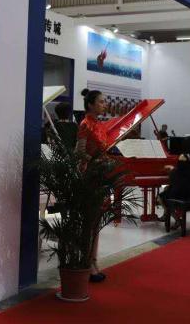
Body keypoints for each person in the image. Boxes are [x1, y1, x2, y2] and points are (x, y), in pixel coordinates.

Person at [76, 89, 109, 283]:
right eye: (101, 102)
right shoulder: (85, 124)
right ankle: (87, 263)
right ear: (90, 104)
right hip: (89, 175)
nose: (104, 105)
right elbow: (79, 152)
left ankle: (93, 260)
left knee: (96, 221)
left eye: (104, 101)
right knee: (89, 222)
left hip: (99, 175)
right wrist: (94, 161)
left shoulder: (100, 125)